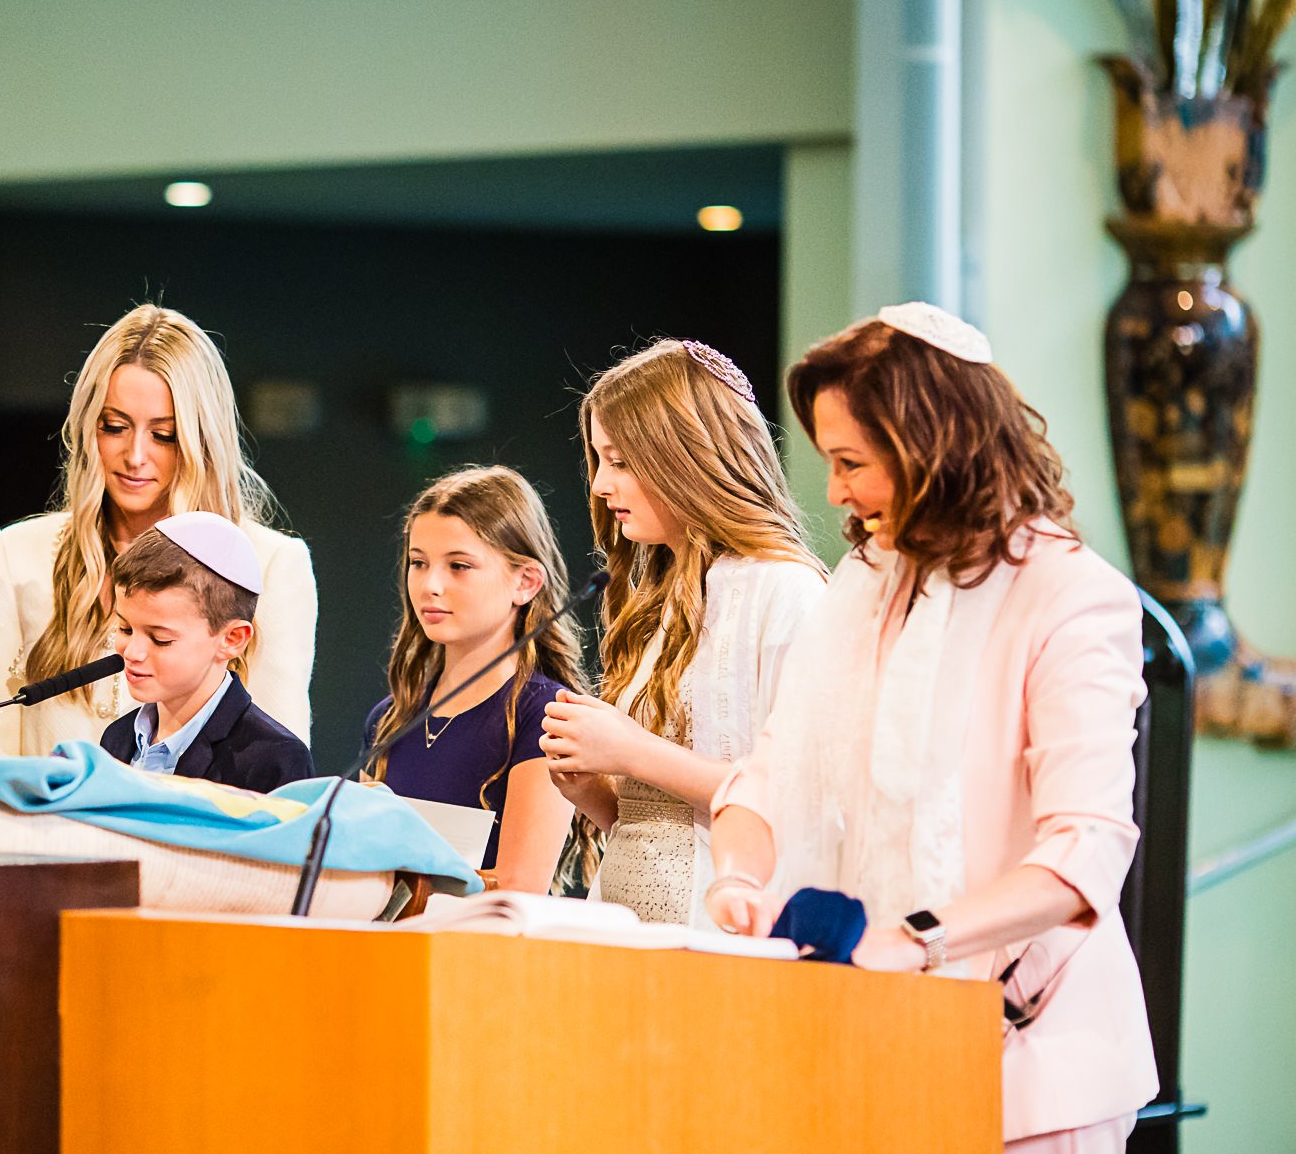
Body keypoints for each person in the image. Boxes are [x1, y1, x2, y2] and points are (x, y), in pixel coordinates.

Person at [703, 303, 1157, 1154]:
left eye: (853, 461)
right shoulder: (864, 590)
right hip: (871, 1044)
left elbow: (1083, 844)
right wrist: (738, 872)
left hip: (1025, 1055)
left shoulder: (1070, 597)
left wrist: (911, 935)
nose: (836, 494)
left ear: (930, 442)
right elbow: (769, 770)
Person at [538, 339, 825, 924]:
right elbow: (654, 822)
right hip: (624, 923)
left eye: (620, 462)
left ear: (687, 457)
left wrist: (631, 750)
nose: (599, 486)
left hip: (722, 926)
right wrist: (592, 790)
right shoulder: (659, 600)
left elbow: (801, 797)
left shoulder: (785, 591)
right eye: (599, 460)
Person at [0, 305, 316, 757]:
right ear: (87, 427)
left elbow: (278, 771)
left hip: (195, 828)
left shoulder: (271, 565)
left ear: (201, 441)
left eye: (164, 435)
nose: (135, 455)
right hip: (44, 827)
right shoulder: (16, 555)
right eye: (115, 427)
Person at [361, 466, 587, 893]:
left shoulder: (546, 717)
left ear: (525, 582)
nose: (431, 585)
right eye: (418, 563)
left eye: (459, 566)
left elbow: (518, 888)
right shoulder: (388, 719)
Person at [99, 513, 313, 793]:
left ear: (232, 639)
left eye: (160, 639)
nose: (133, 652)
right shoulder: (117, 738)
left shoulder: (273, 758)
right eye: (125, 629)